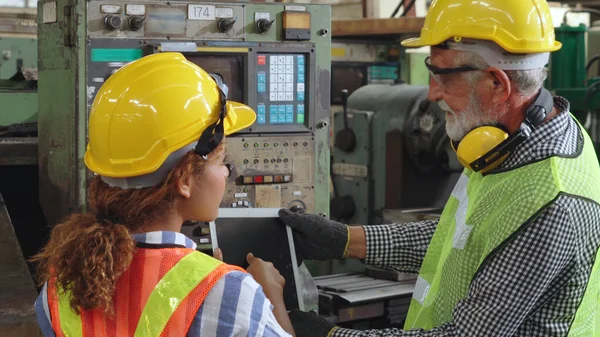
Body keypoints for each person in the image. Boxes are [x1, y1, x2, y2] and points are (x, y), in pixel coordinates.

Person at [280, 0, 600, 336]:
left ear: (497, 84)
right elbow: (464, 238)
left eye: (442, 76)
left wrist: (330, 335)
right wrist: (346, 240)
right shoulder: (507, 141)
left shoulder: (550, 202)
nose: (432, 93)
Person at [31, 52, 295, 337]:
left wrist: (207, 280)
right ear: (183, 179)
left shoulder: (60, 284)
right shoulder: (233, 294)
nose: (227, 174)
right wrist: (270, 297)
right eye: (221, 162)